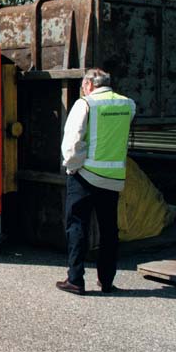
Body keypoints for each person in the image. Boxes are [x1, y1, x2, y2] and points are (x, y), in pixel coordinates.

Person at [57, 68, 135, 295]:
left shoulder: (86, 104)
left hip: (86, 175)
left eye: (83, 87)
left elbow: (72, 143)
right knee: (109, 230)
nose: (83, 90)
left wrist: (72, 167)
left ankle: (75, 280)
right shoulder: (128, 104)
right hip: (113, 178)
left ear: (89, 85)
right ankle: (107, 281)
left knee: (77, 226)